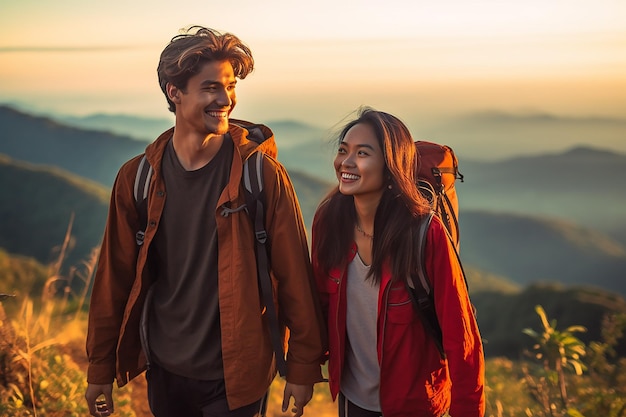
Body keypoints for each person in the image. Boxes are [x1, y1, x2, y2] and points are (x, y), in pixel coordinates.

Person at [85, 26, 325, 417]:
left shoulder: (260, 175)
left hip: (238, 374)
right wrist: (100, 366)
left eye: (230, 87)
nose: (225, 99)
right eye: (211, 87)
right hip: (164, 368)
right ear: (173, 92)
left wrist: (302, 365)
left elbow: (294, 274)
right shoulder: (138, 178)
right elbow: (115, 277)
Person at [311, 107, 485, 417]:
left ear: (391, 166)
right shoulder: (329, 221)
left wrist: (467, 410)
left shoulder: (423, 233)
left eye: (362, 153)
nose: (346, 163)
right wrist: (304, 367)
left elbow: (461, 335)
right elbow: (321, 302)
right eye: (343, 150)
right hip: (352, 400)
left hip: (414, 406)